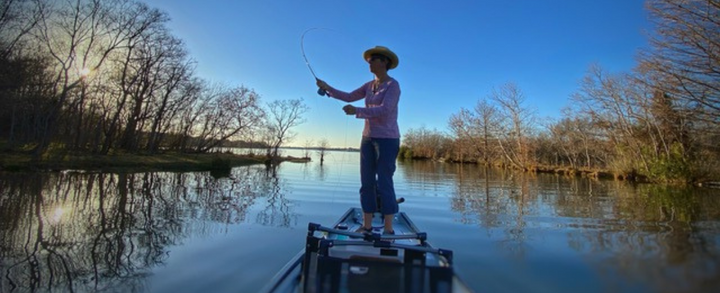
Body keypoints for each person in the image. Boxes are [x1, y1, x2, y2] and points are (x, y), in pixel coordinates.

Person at [316, 46, 401, 235]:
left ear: (384, 62)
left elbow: (385, 110)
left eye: (373, 59)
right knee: (366, 182)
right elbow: (348, 96)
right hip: (367, 139)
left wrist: (357, 111)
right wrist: (327, 88)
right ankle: (367, 226)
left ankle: (388, 229)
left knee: (385, 181)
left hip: (388, 140)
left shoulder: (393, 85)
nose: (369, 62)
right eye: (369, 59)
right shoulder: (368, 85)